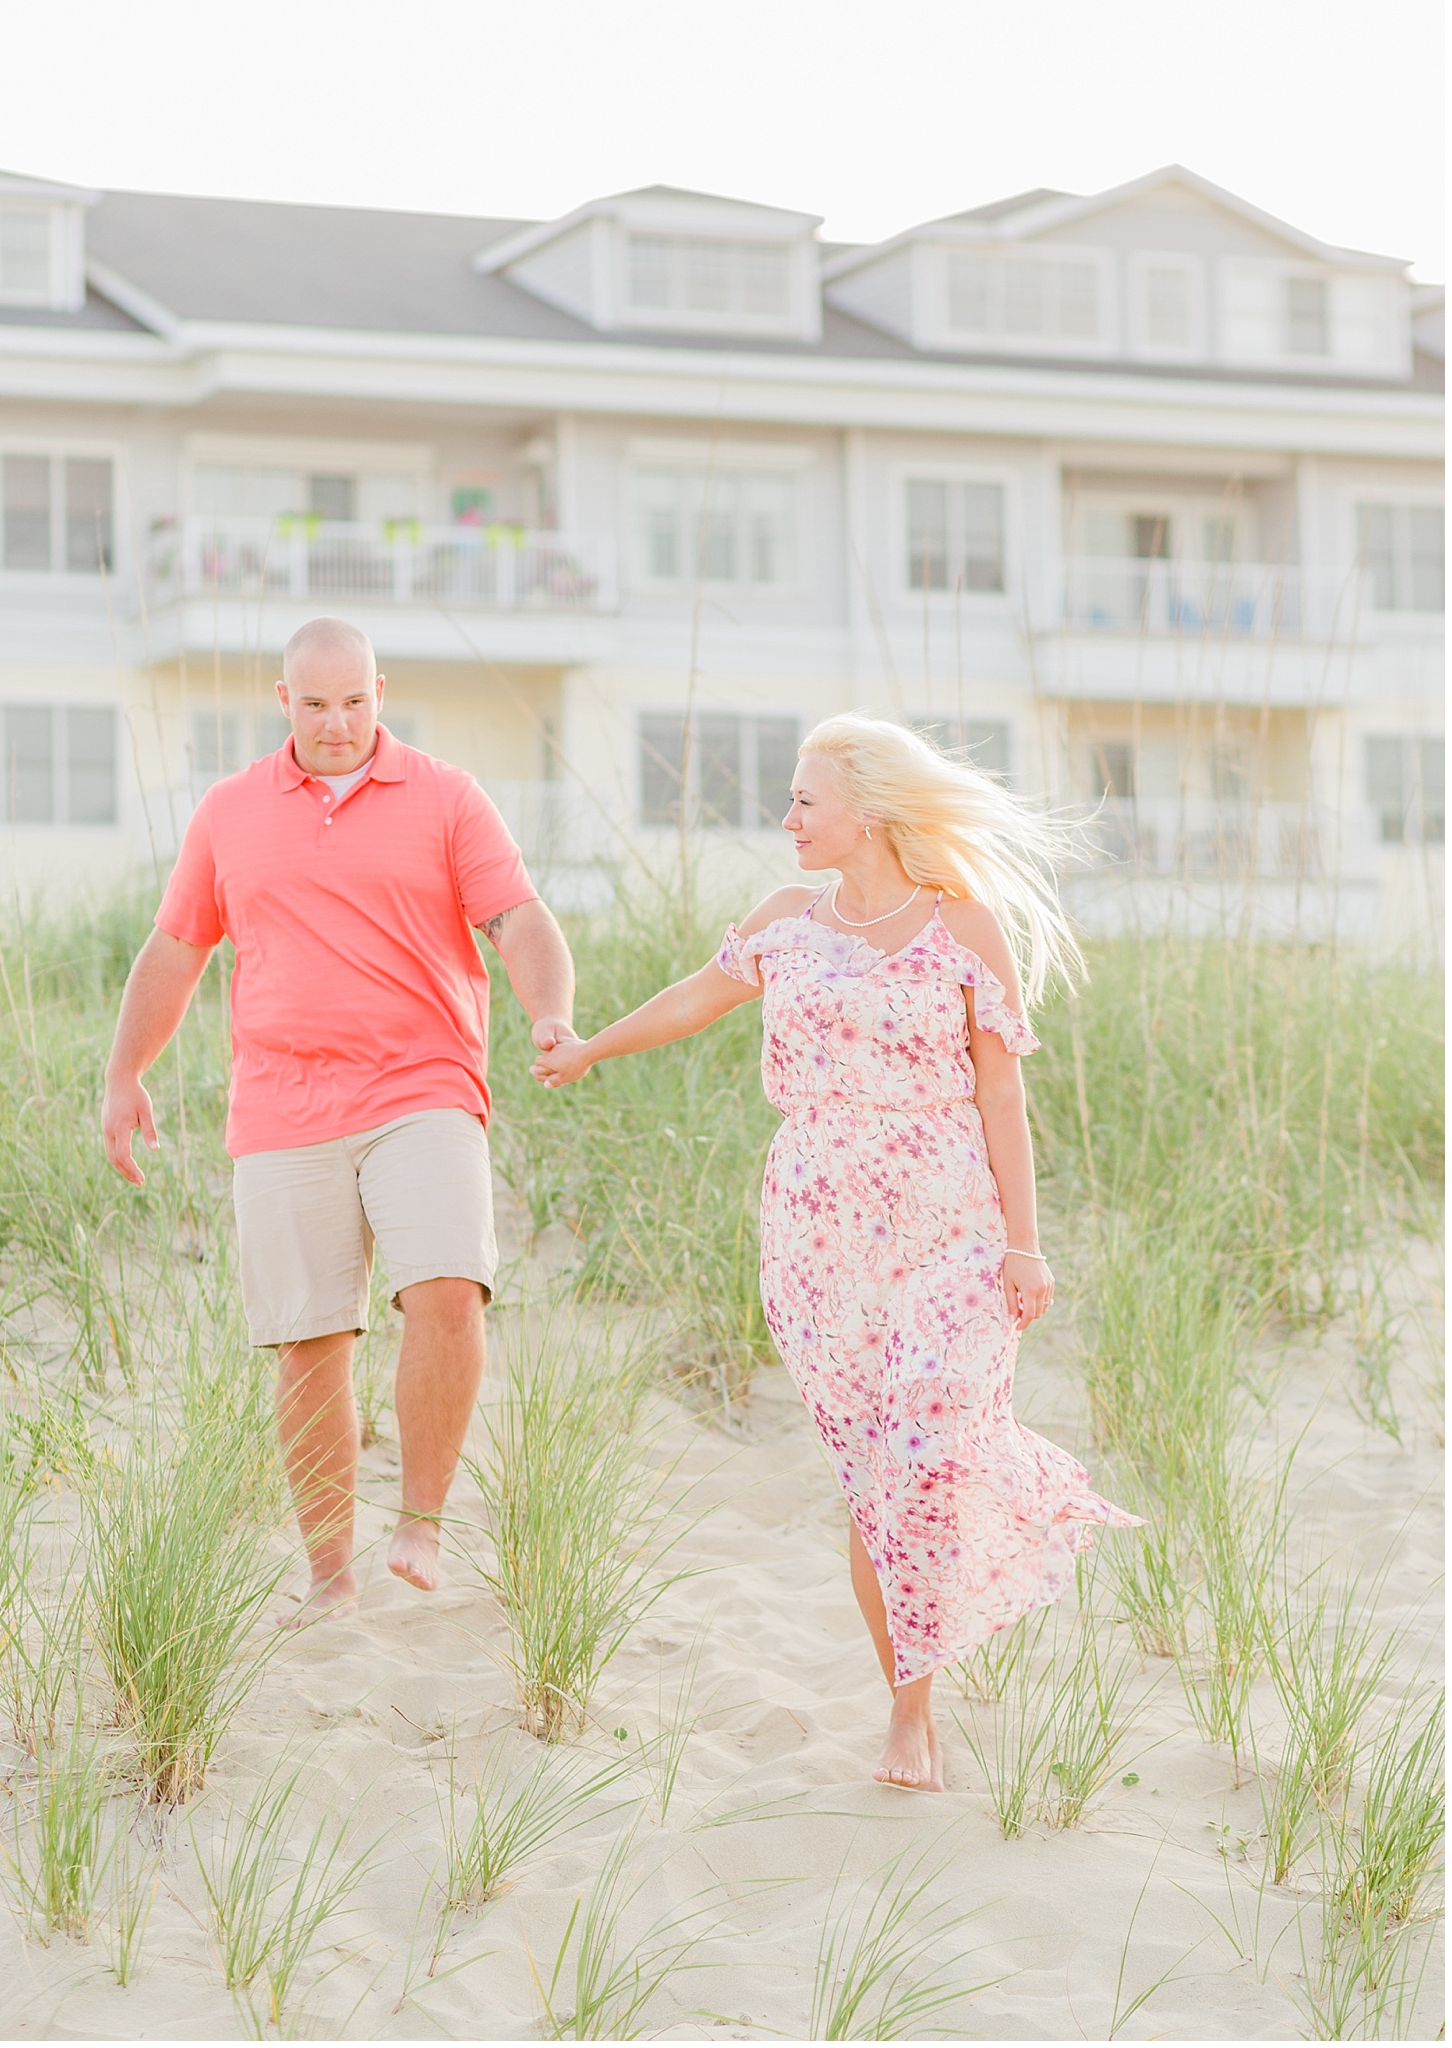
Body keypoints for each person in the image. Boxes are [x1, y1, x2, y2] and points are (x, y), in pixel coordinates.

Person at [534, 713, 1137, 1790]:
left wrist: (1024, 1243)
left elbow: (1000, 1087)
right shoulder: (784, 922)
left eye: (806, 798)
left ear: (870, 810)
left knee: (927, 1444)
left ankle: (939, 1650)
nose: (788, 816)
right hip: (819, 1232)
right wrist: (588, 1047)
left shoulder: (963, 927)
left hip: (949, 1223)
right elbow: (695, 995)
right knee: (874, 1478)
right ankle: (911, 1707)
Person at [101, 616, 577, 1620]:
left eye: (355, 700)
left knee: (448, 1291)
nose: (337, 721)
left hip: (422, 1085)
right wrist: (123, 1072)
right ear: (284, 702)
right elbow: (176, 947)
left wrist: (550, 1011)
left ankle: (420, 1519)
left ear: (379, 692)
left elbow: (519, 918)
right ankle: (329, 1573)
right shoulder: (231, 810)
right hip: (280, 1105)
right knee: (311, 1343)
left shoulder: (448, 796)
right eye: (315, 703)